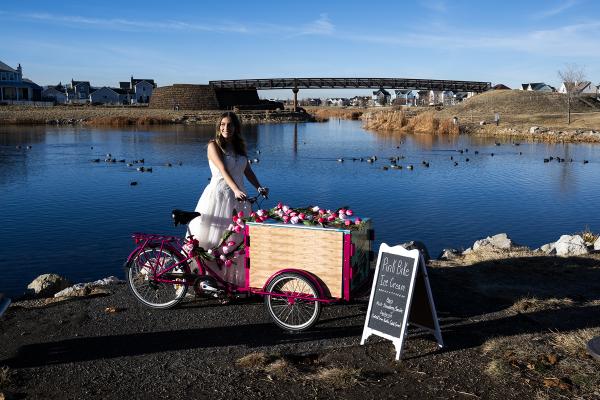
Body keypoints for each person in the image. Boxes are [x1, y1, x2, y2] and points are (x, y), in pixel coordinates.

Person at [187, 112, 268, 286]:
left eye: (230, 125)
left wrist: (259, 187)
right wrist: (236, 189)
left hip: (238, 198)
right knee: (214, 240)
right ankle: (204, 279)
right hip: (219, 198)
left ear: (236, 128)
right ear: (218, 126)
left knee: (235, 242)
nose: (226, 128)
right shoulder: (213, 145)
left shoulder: (239, 148)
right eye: (223, 124)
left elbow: (247, 171)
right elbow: (224, 170)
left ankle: (230, 281)